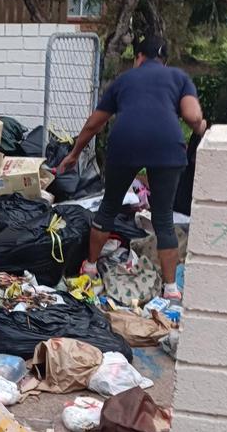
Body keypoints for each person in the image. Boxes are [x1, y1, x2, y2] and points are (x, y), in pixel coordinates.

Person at [59, 35, 207, 300]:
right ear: (164, 60)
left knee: (108, 208)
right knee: (163, 219)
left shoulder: (125, 80)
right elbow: (193, 116)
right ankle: (171, 288)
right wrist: (201, 128)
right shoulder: (179, 77)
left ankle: (90, 268)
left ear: (138, 57)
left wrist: (74, 154)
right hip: (167, 145)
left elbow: (95, 123)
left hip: (125, 142)